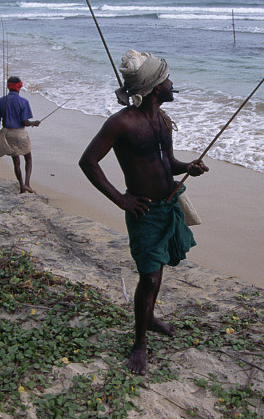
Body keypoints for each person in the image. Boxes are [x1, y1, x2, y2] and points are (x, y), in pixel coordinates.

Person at [79, 50, 209, 374]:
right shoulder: (122, 122)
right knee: (149, 276)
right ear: (154, 87)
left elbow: (167, 162)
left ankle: (148, 317)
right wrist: (120, 200)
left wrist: (188, 167)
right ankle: (139, 343)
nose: (172, 83)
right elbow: (88, 161)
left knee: (158, 268)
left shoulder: (162, 120)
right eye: (167, 79)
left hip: (169, 205)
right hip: (144, 210)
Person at [0, 75, 40, 193]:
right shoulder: (23, 102)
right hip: (20, 133)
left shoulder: (1, 101)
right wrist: (35, 122)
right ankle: (27, 184)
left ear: (8, 87)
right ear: (19, 87)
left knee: (16, 161)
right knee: (28, 158)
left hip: (7, 133)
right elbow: (25, 122)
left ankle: (21, 186)